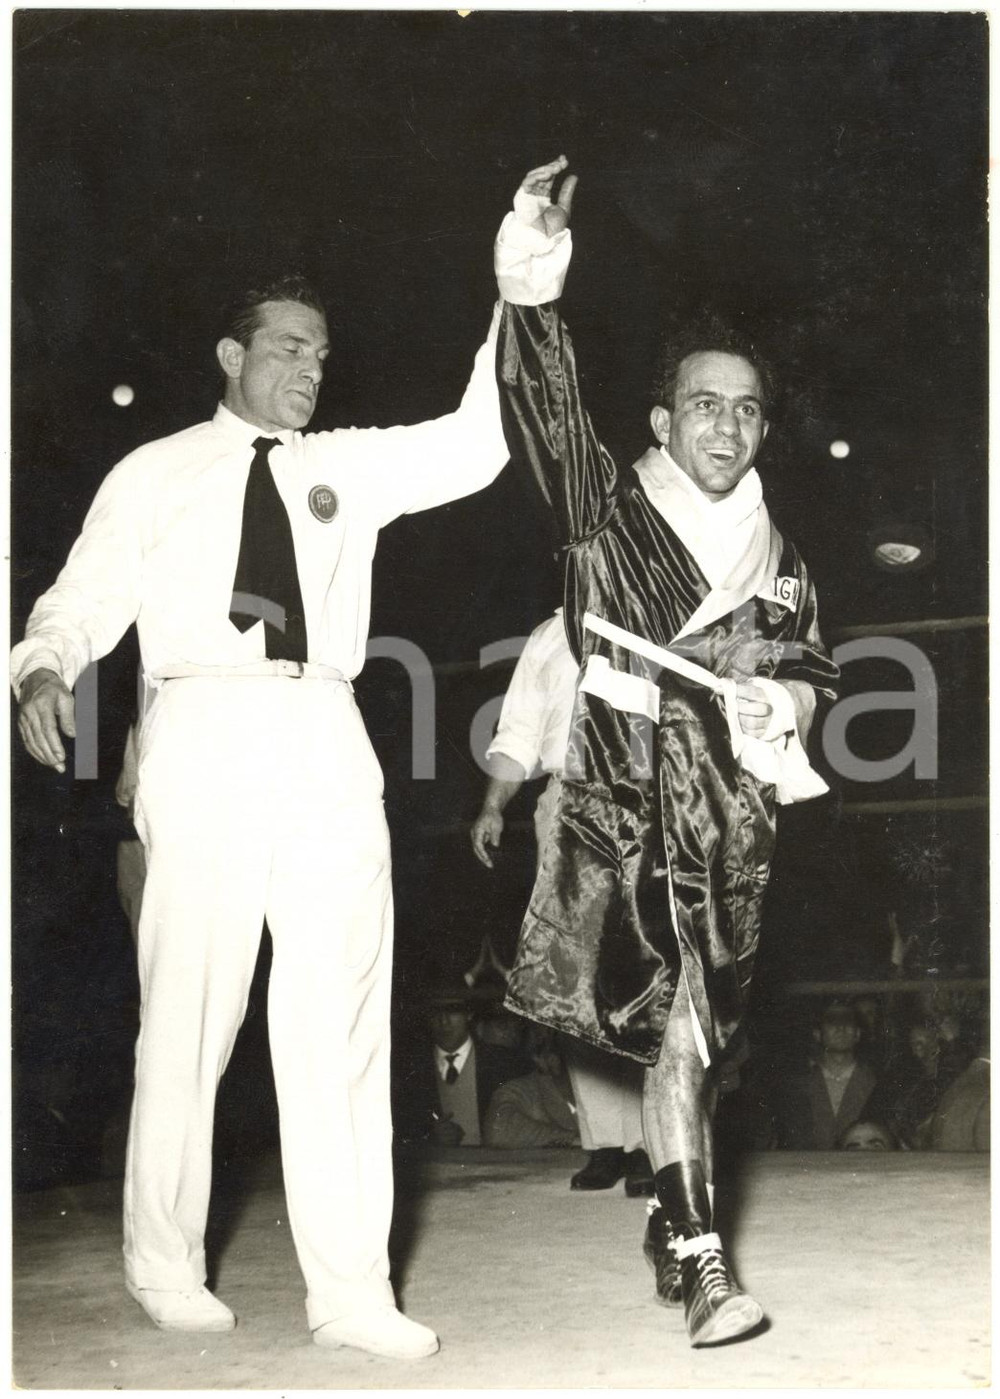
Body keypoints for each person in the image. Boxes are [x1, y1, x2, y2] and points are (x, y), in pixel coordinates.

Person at [12, 193, 516, 1356]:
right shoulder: (154, 472)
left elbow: (477, 442)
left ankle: (351, 1292)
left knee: (341, 1018)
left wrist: (518, 293)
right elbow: (81, 597)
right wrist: (41, 670)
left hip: (324, 730)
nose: (310, 369)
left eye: (322, 354)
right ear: (230, 355)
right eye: (288, 347)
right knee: (190, 1012)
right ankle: (162, 1262)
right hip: (200, 730)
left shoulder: (344, 467)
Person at [492, 157, 839, 1346]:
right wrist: (531, 275)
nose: (725, 426)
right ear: (661, 419)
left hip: (729, 815)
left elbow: (813, 667)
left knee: (702, 1033)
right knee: (674, 1020)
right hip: (625, 799)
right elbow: (545, 410)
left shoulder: (783, 558)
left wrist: (780, 699)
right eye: (702, 403)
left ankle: (668, 1218)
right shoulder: (606, 515)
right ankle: (701, 1261)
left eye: (744, 409)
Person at [471, 608, 652, 1196]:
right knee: (573, 976)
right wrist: (493, 806)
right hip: (565, 803)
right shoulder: (547, 636)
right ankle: (605, 1143)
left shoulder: (658, 611)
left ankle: (653, 1144)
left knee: (643, 972)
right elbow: (519, 732)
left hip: (645, 801)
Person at [407, 981, 527, 1147]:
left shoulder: (505, 1062)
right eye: (436, 1011)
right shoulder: (410, 1069)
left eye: (452, 1010)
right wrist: (429, 1137)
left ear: (469, 1013)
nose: (444, 1021)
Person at [778, 1001, 881, 1151]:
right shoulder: (797, 1086)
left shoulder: (878, 1082)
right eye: (832, 1023)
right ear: (817, 1034)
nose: (841, 1028)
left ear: (858, 1034)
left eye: (847, 1023)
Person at [484, 1028, 579, 1149]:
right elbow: (498, 1131)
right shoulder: (524, 1090)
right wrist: (573, 1140)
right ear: (546, 1060)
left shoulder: (599, 1094)